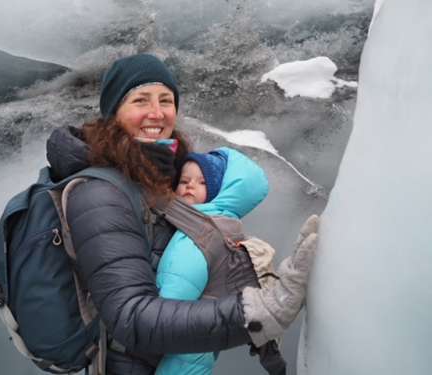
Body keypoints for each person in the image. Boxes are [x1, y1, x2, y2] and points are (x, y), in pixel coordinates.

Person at [46, 53, 319, 375]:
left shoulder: (157, 180)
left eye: (166, 100)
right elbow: (130, 317)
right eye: (140, 100)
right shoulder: (101, 193)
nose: (156, 113)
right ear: (113, 112)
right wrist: (258, 313)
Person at [155, 148, 269, 375]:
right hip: (199, 350)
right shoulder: (227, 226)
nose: (189, 186)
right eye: (184, 180)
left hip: (175, 355)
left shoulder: (196, 235)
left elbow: (169, 303)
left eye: (202, 183)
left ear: (219, 192)